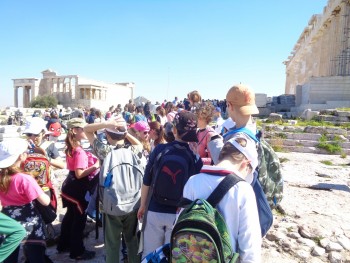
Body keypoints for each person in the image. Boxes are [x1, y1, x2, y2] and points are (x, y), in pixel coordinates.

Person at [182, 135, 262, 262]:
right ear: (246, 164)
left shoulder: (192, 181)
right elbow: (249, 246)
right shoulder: (243, 189)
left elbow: (179, 222)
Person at [137, 111, 203, 257]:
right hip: (178, 214)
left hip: (155, 209)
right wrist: (196, 153)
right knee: (172, 256)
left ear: (174, 130)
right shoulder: (194, 157)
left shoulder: (160, 149)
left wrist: (143, 205)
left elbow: (147, 180)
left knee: (150, 254)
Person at [84, 116, 143, 263]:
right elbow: (140, 144)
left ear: (108, 135)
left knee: (112, 244)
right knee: (133, 241)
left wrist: (106, 124)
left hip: (111, 205)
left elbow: (86, 129)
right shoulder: (135, 150)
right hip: (133, 204)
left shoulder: (105, 151)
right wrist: (124, 131)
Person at [0, 139, 50, 263]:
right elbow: (45, 202)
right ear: (21, 156)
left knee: (9, 255)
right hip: (29, 221)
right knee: (35, 256)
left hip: (8, 219)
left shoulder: (2, 177)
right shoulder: (24, 179)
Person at [57, 118, 99, 260]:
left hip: (69, 186)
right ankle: (77, 251)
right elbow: (79, 173)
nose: (85, 131)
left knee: (70, 217)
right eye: (82, 129)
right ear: (75, 131)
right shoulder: (79, 151)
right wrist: (96, 165)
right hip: (77, 189)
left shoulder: (72, 147)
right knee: (79, 221)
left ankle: (63, 244)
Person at [208, 84, 259, 165]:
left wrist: (214, 141)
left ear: (229, 106)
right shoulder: (253, 129)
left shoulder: (240, 138)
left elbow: (224, 165)